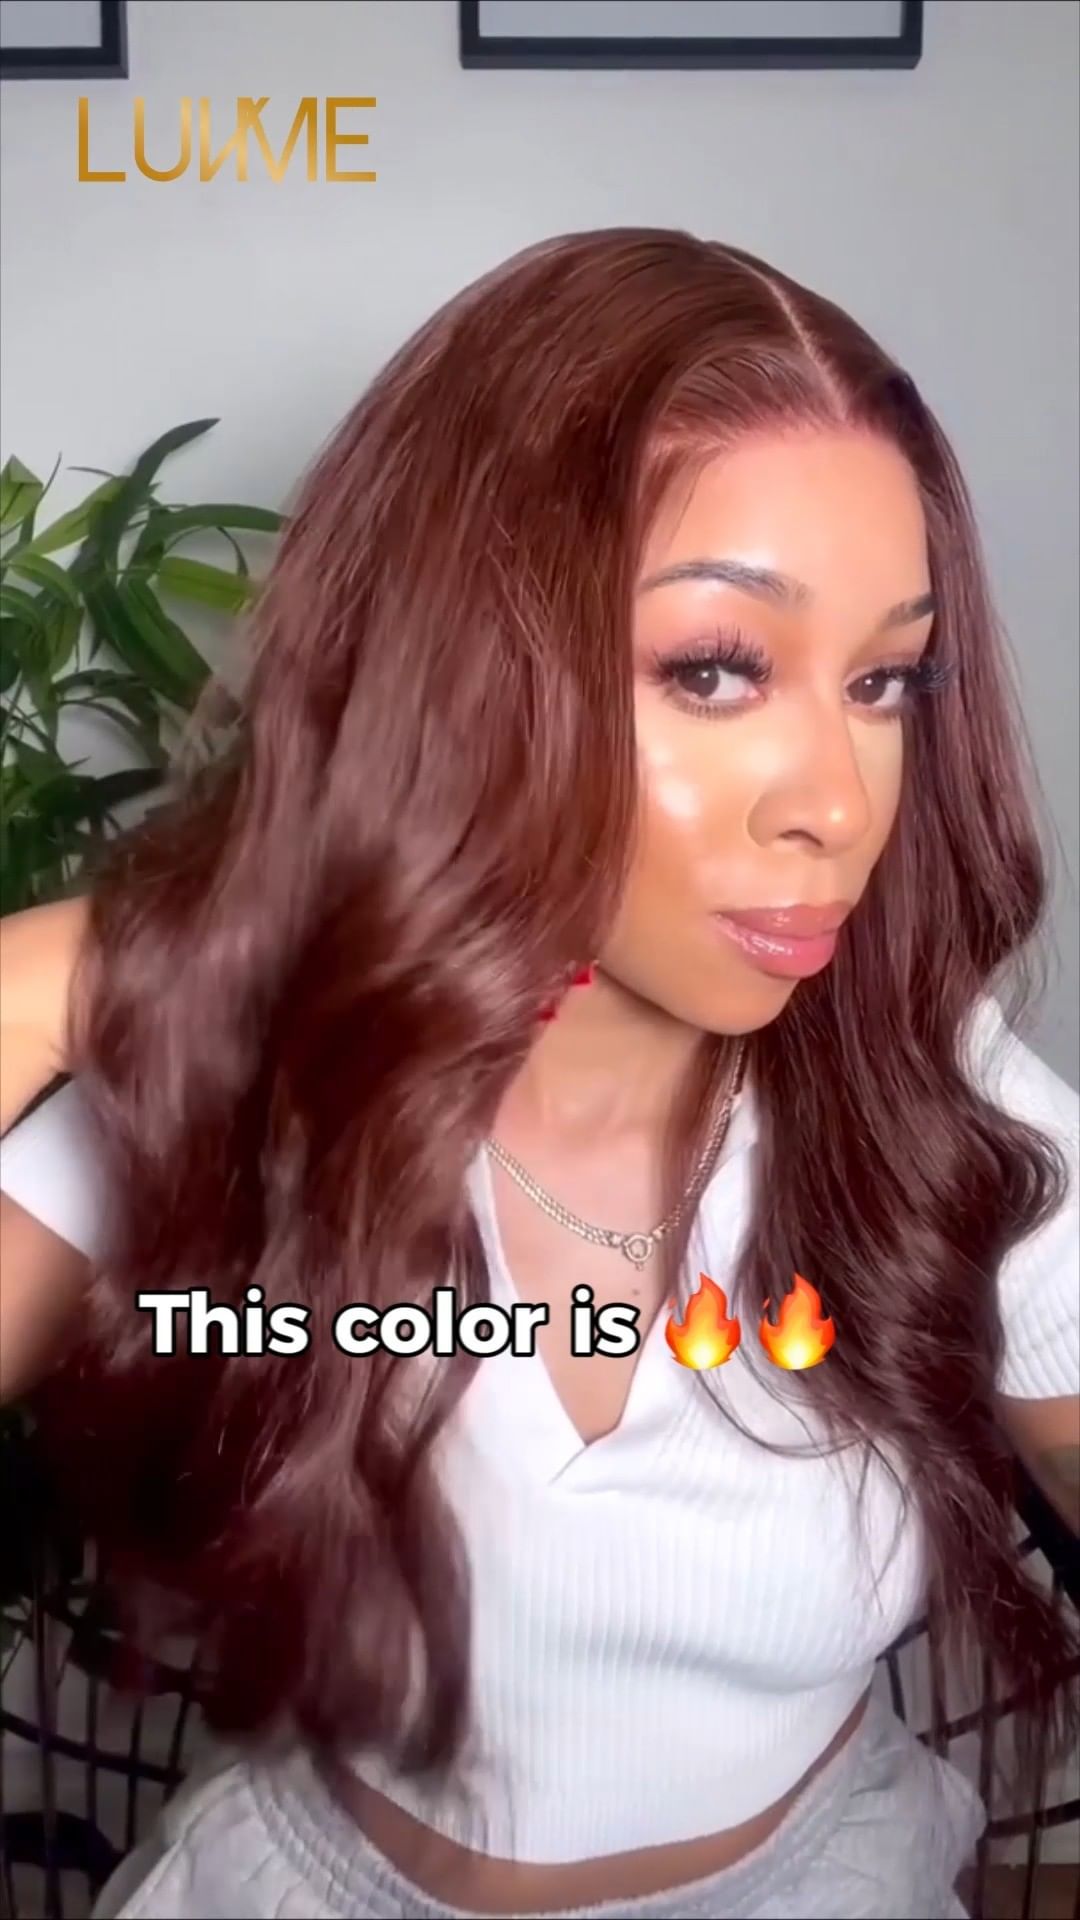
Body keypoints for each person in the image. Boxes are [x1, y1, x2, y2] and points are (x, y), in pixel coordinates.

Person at [1, 228, 1077, 1920]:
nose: (838, 800)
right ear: (456, 680)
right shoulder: (236, 1070)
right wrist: (106, 963)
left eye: (885, 681)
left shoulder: (930, 1100)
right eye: (716, 669)